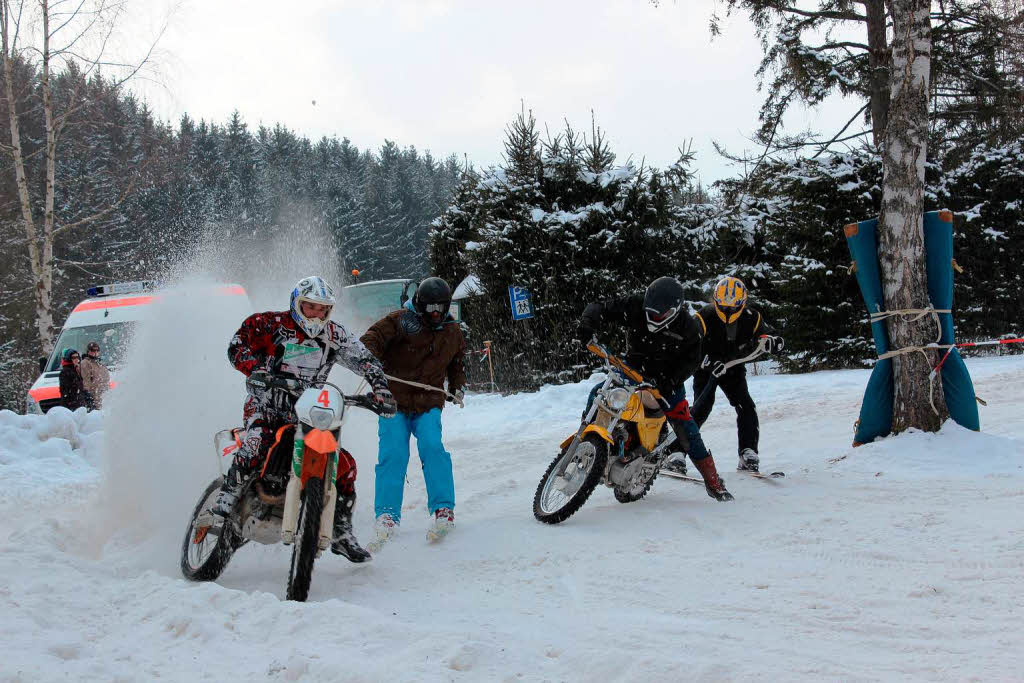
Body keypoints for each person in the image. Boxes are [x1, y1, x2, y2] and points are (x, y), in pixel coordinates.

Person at [198, 276, 397, 563]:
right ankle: (227, 496)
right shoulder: (271, 324)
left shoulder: (335, 335)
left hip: (310, 412)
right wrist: (255, 369)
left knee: (344, 465)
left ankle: (340, 532)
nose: (316, 314)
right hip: (266, 405)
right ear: (296, 303)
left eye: (322, 309)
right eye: (310, 307)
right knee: (257, 443)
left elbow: (366, 361)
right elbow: (237, 344)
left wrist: (381, 391)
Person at [578, 276, 733, 501]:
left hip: (666, 381)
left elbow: (692, 361)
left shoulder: (689, 328)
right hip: (632, 367)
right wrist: (588, 322)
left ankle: (713, 481)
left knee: (686, 428)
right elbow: (600, 307)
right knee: (599, 394)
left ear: (675, 311)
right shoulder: (636, 305)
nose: (652, 317)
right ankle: (585, 442)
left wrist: (669, 380)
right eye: (649, 311)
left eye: (659, 315)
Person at [360, 276, 467, 544]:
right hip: (393, 400)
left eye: (440, 308)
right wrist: (368, 358)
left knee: (433, 448)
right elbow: (371, 338)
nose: (434, 313)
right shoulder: (401, 320)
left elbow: (456, 362)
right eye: (429, 307)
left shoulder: (452, 331)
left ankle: (443, 508)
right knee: (393, 454)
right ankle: (387, 514)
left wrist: (457, 386)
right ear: (419, 304)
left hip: (429, 401)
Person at [686, 276, 783, 473]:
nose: (728, 312)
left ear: (742, 303)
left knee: (745, 405)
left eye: (733, 308)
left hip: (733, 367)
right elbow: (689, 344)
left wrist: (774, 342)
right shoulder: (703, 316)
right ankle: (676, 453)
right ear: (715, 301)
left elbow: (766, 333)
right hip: (707, 368)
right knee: (700, 409)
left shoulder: (752, 317)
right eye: (723, 307)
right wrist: (705, 362)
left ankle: (748, 451)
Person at [80, 341, 110, 410]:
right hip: (94, 399)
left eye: (97, 350)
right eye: (93, 350)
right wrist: (89, 397)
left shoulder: (100, 363)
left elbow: (106, 379)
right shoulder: (85, 363)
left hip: (103, 398)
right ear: (88, 351)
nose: (95, 352)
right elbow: (86, 381)